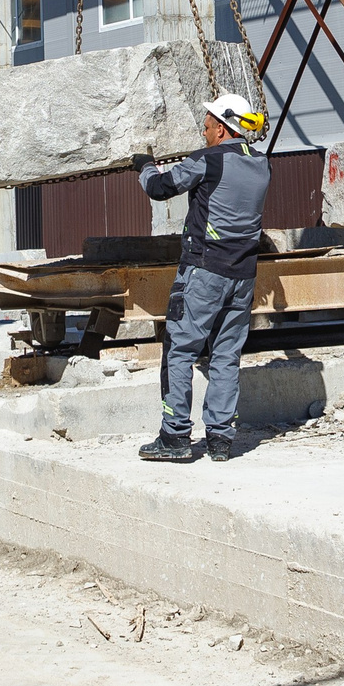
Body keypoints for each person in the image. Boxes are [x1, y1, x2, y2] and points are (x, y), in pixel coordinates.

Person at [134, 90, 271, 464]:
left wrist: (144, 165)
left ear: (223, 129)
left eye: (208, 126)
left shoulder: (208, 160)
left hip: (204, 272)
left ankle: (175, 436)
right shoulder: (262, 164)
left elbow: (159, 188)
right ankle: (221, 440)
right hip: (243, 276)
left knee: (180, 350)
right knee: (226, 354)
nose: (205, 132)